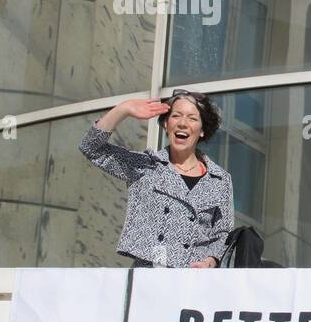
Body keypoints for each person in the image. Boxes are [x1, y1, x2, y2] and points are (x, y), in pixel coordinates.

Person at [79, 90, 235, 268]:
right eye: (176, 116)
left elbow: (223, 233)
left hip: (194, 282)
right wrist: (124, 109)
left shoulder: (219, 179)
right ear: (166, 125)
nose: (183, 123)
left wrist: (211, 261)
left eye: (192, 118)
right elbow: (90, 147)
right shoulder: (145, 166)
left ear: (202, 131)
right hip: (148, 279)